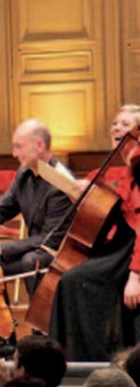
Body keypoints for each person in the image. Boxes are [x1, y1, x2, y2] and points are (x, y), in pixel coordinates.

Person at [50, 105, 140, 360]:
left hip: (133, 250)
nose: (117, 128)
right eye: (115, 123)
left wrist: (135, 276)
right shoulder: (120, 165)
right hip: (121, 246)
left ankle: (86, 359)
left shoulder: (138, 161)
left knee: (73, 281)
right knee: (71, 278)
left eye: (125, 124)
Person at [0, 119, 75, 295]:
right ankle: (1, 319)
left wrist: (0, 248)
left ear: (39, 145)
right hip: (34, 249)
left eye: (18, 147)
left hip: (60, 253)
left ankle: (43, 322)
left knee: (32, 261)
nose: (14, 153)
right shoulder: (24, 174)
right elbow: (1, 209)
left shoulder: (61, 182)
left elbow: (48, 240)